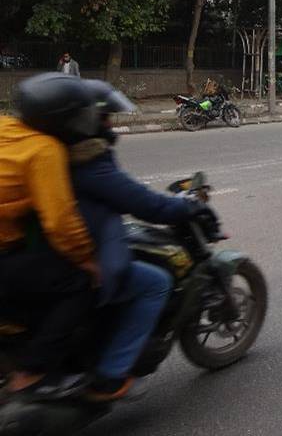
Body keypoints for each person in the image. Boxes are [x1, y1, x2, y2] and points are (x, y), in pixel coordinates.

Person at [69, 80, 212, 401]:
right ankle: (111, 375)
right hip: (83, 260)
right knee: (156, 282)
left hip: (65, 253)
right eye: (105, 118)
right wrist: (188, 206)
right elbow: (144, 203)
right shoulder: (89, 164)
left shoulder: (57, 154)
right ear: (87, 121)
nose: (110, 124)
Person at [0, 73, 100, 399]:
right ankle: (32, 372)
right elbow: (60, 222)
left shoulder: (6, 127)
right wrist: (87, 260)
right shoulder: (44, 149)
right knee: (78, 285)